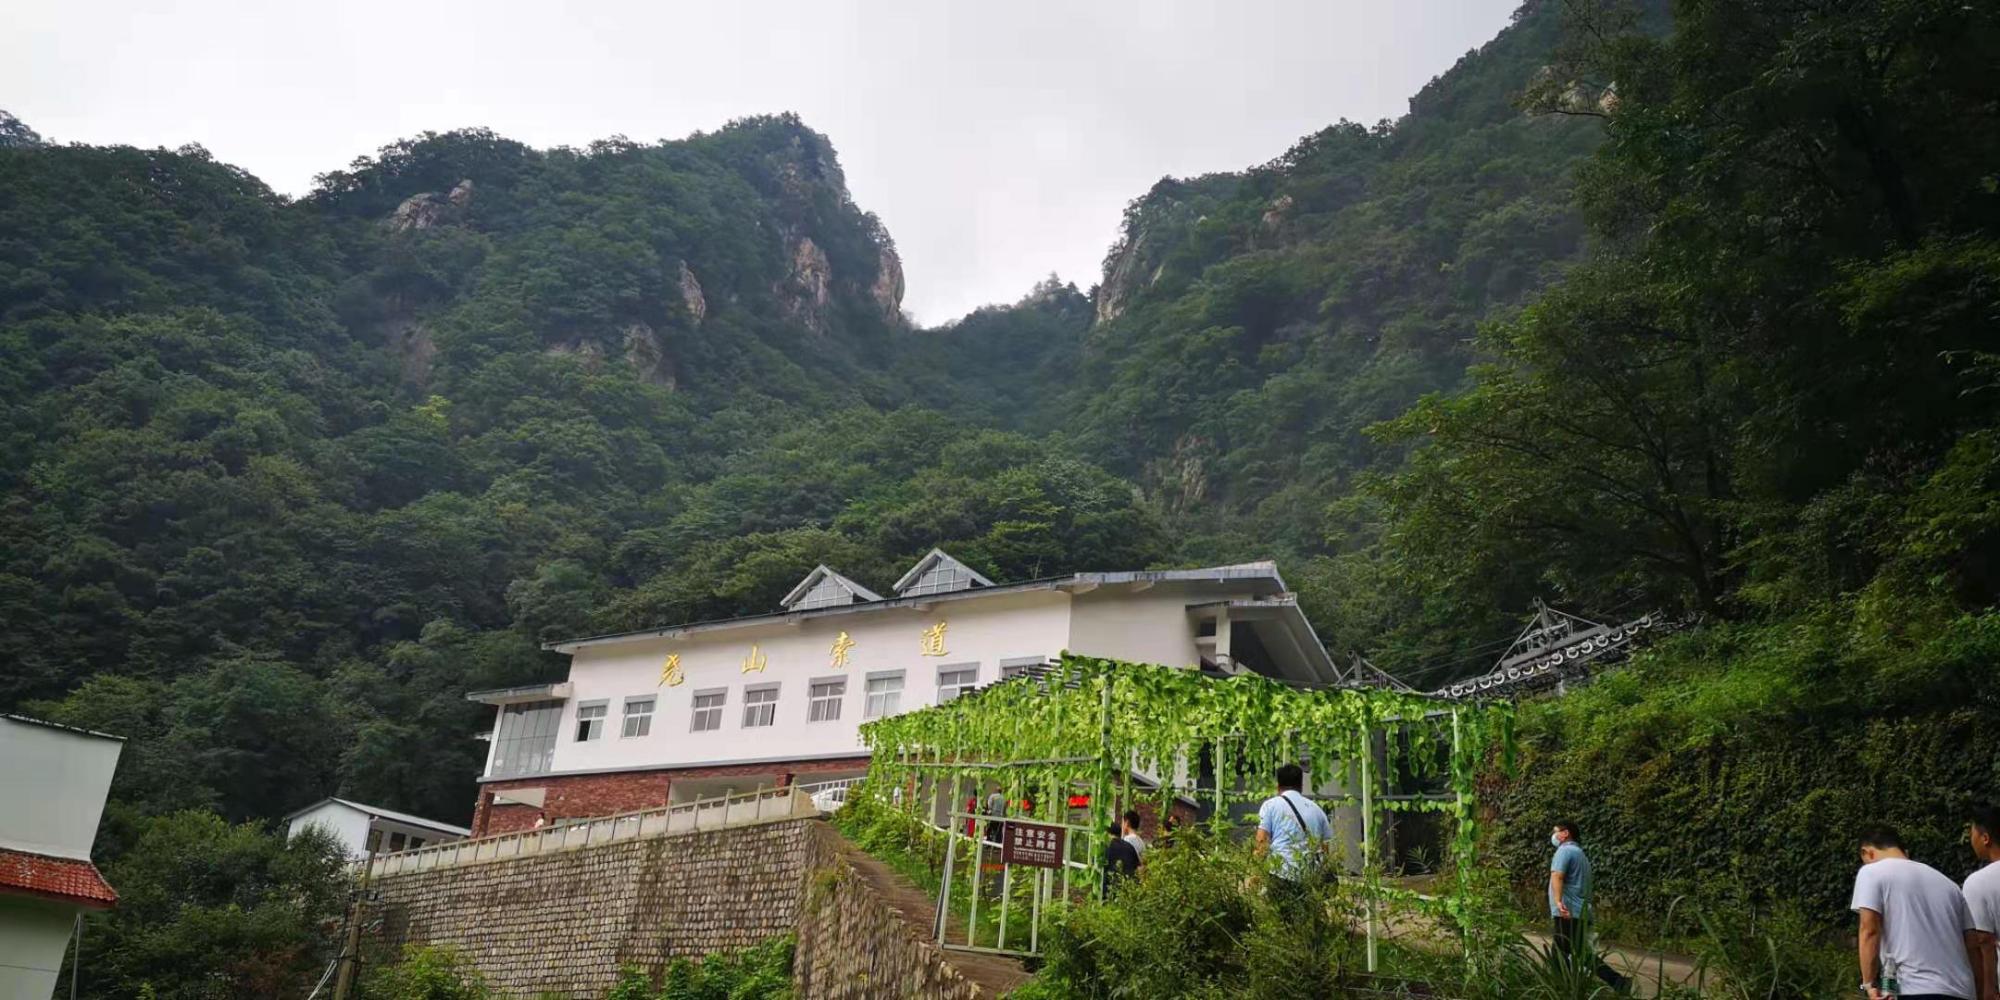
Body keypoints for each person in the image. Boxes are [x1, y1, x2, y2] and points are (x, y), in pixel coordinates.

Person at [1852, 823, 1980, 1000]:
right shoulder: (1949, 885)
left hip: (1914, 989)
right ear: (1905, 851)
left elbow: (1870, 930)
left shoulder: (1871, 872)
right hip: (1963, 991)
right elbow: (1973, 943)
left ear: (1867, 853)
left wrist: (1868, 984)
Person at [1548, 821, 1630, 992]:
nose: (1554, 836)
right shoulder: (1580, 854)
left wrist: (1558, 902)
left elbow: (1557, 876)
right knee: (1579, 954)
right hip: (1578, 910)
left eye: (1556, 832)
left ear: (1565, 833)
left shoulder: (1564, 851)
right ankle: (1618, 982)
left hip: (1567, 911)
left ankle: (1563, 989)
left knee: (1559, 954)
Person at [1256, 763, 1333, 910]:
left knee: (1281, 921)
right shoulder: (1317, 809)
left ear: (1278, 786)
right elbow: (1325, 850)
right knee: (1306, 921)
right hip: (1309, 877)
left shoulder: (1270, 806)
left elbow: (1262, 842)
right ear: (1301, 785)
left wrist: (1256, 873)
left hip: (1280, 874)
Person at [1961, 805, 2000, 1000]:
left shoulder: (1978, 883)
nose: (1971, 840)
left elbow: (1983, 940)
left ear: (1985, 838)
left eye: (1973, 833)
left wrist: (1988, 989)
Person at [1102, 821, 1139, 897]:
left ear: (1107, 833)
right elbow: (1138, 867)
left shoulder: (1104, 847)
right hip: (1127, 891)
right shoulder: (1130, 847)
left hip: (1108, 891)